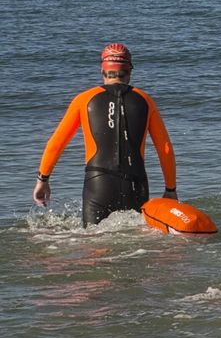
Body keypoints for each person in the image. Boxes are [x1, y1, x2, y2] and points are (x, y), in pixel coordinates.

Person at [34, 44, 178, 225]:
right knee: (136, 246)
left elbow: (56, 143)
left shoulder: (84, 99)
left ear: (103, 70)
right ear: (129, 70)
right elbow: (164, 148)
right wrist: (170, 189)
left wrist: (43, 179)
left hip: (98, 184)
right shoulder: (145, 100)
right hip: (135, 183)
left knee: (95, 245)